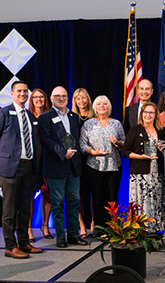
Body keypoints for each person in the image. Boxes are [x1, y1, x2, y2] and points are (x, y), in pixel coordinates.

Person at [0, 80, 43, 258]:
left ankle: (24, 243)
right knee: (9, 209)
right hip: (8, 168)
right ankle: (10, 246)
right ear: (12, 93)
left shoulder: (28, 115)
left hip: (27, 167)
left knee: (25, 207)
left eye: (25, 91)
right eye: (19, 91)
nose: (22, 94)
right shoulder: (2, 113)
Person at [38, 86, 87, 248]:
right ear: (51, 98)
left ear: (68, 98)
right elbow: (45, 140)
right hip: (55, 166)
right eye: (57, 96)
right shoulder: (45, 117)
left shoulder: (74, 116)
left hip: (73, 167)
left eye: (64, 96)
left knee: (73, 201)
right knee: (57, 202)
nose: (61, 98)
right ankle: (60, 236)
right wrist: (62, 152)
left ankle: (73, 235)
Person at [80, 95, 125, 234]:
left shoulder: (116, 123)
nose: (102, 106)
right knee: (98, 198)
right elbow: (82, 144)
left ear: (109, 107)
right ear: (95, 107)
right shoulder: (88, 124)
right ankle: (99, 229)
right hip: (94, 166)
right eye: (99, 104)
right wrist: (93, 152)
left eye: (104, 104)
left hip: (113, 165)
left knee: (112, 198)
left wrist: (117, 143)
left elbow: (124, 141)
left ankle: (112, 228)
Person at [122, 102, 165, 233]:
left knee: (156, 202)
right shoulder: (135, 129)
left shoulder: (161, 131)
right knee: (142, 204)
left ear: (156, 115)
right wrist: (140, 157)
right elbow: (125, 151)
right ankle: (141, 232)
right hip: (140, 175)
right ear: (142, 114)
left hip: (157, 174)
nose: (148, 115)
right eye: (145, 112)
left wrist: (162, 149)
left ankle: (155, 231)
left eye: (151, 112)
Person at [27, 88, 52, 242]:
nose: (38, 100)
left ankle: (45, 225)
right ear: (32, 100)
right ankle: (29, 227)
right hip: (31, 162)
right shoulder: (27, 116)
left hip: (48, 161)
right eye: (35, 97)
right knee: (29, 196)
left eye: (41, 97)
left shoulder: (50, 116)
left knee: (47, 195)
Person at [71, 88, 95, 237]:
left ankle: (94, 222)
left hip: (93, 159)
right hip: (77, 161)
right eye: (78, 98)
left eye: (83, 98)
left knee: (94, 193)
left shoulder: (96, 117)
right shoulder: (72, 117)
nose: (81, 101)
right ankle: (81, 225)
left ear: (88, 99)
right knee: (79, 195)